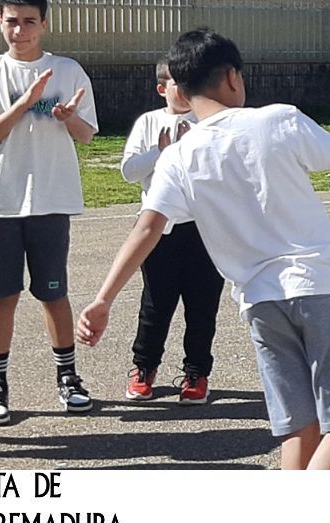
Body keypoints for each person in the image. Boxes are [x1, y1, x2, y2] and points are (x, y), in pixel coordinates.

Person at [77, 28, 330, 470]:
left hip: (259, 300)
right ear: (231, 77)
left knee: (299, 426)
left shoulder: (178, 156)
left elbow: (147, 228)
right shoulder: (279, 119)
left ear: (180, 89)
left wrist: (103, 300)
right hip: (320, 282)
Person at [0, 0, 99, 425]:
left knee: (53, 293)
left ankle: (68, 378)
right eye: (12, 22)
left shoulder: (68, 71)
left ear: (44, 24)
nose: (20, 31)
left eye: (29, 22)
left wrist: (68, 117)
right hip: (2, 201)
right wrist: (23, 103)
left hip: (51, 199)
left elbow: (87, 135)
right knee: (2, 297)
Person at [118, 58, 220, 405]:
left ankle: (196, 372)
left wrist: (192, 149)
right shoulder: (149, 122)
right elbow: (129, 171)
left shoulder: (208, 122)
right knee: (156, 304)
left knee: (202, 305)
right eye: (179, 82)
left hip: (203, 228)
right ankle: (144, 368)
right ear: (162, 88)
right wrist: (160, 153)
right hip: (159, 230)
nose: (187, 89)